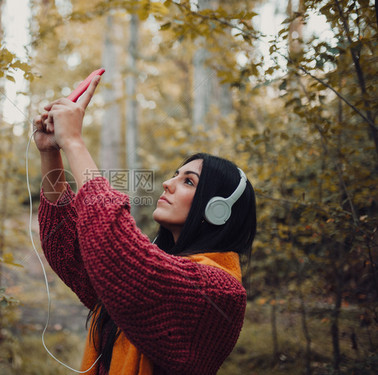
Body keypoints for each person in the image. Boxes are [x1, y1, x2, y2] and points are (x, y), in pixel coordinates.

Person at [33, 75, 256, 375]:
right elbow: (68, 248)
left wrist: (74, 141)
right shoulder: (154, 265)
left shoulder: (220, 293)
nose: (167, 183)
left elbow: (115, 251)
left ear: (217, 210)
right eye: (175, 175)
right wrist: (51, 152)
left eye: (188, 181)